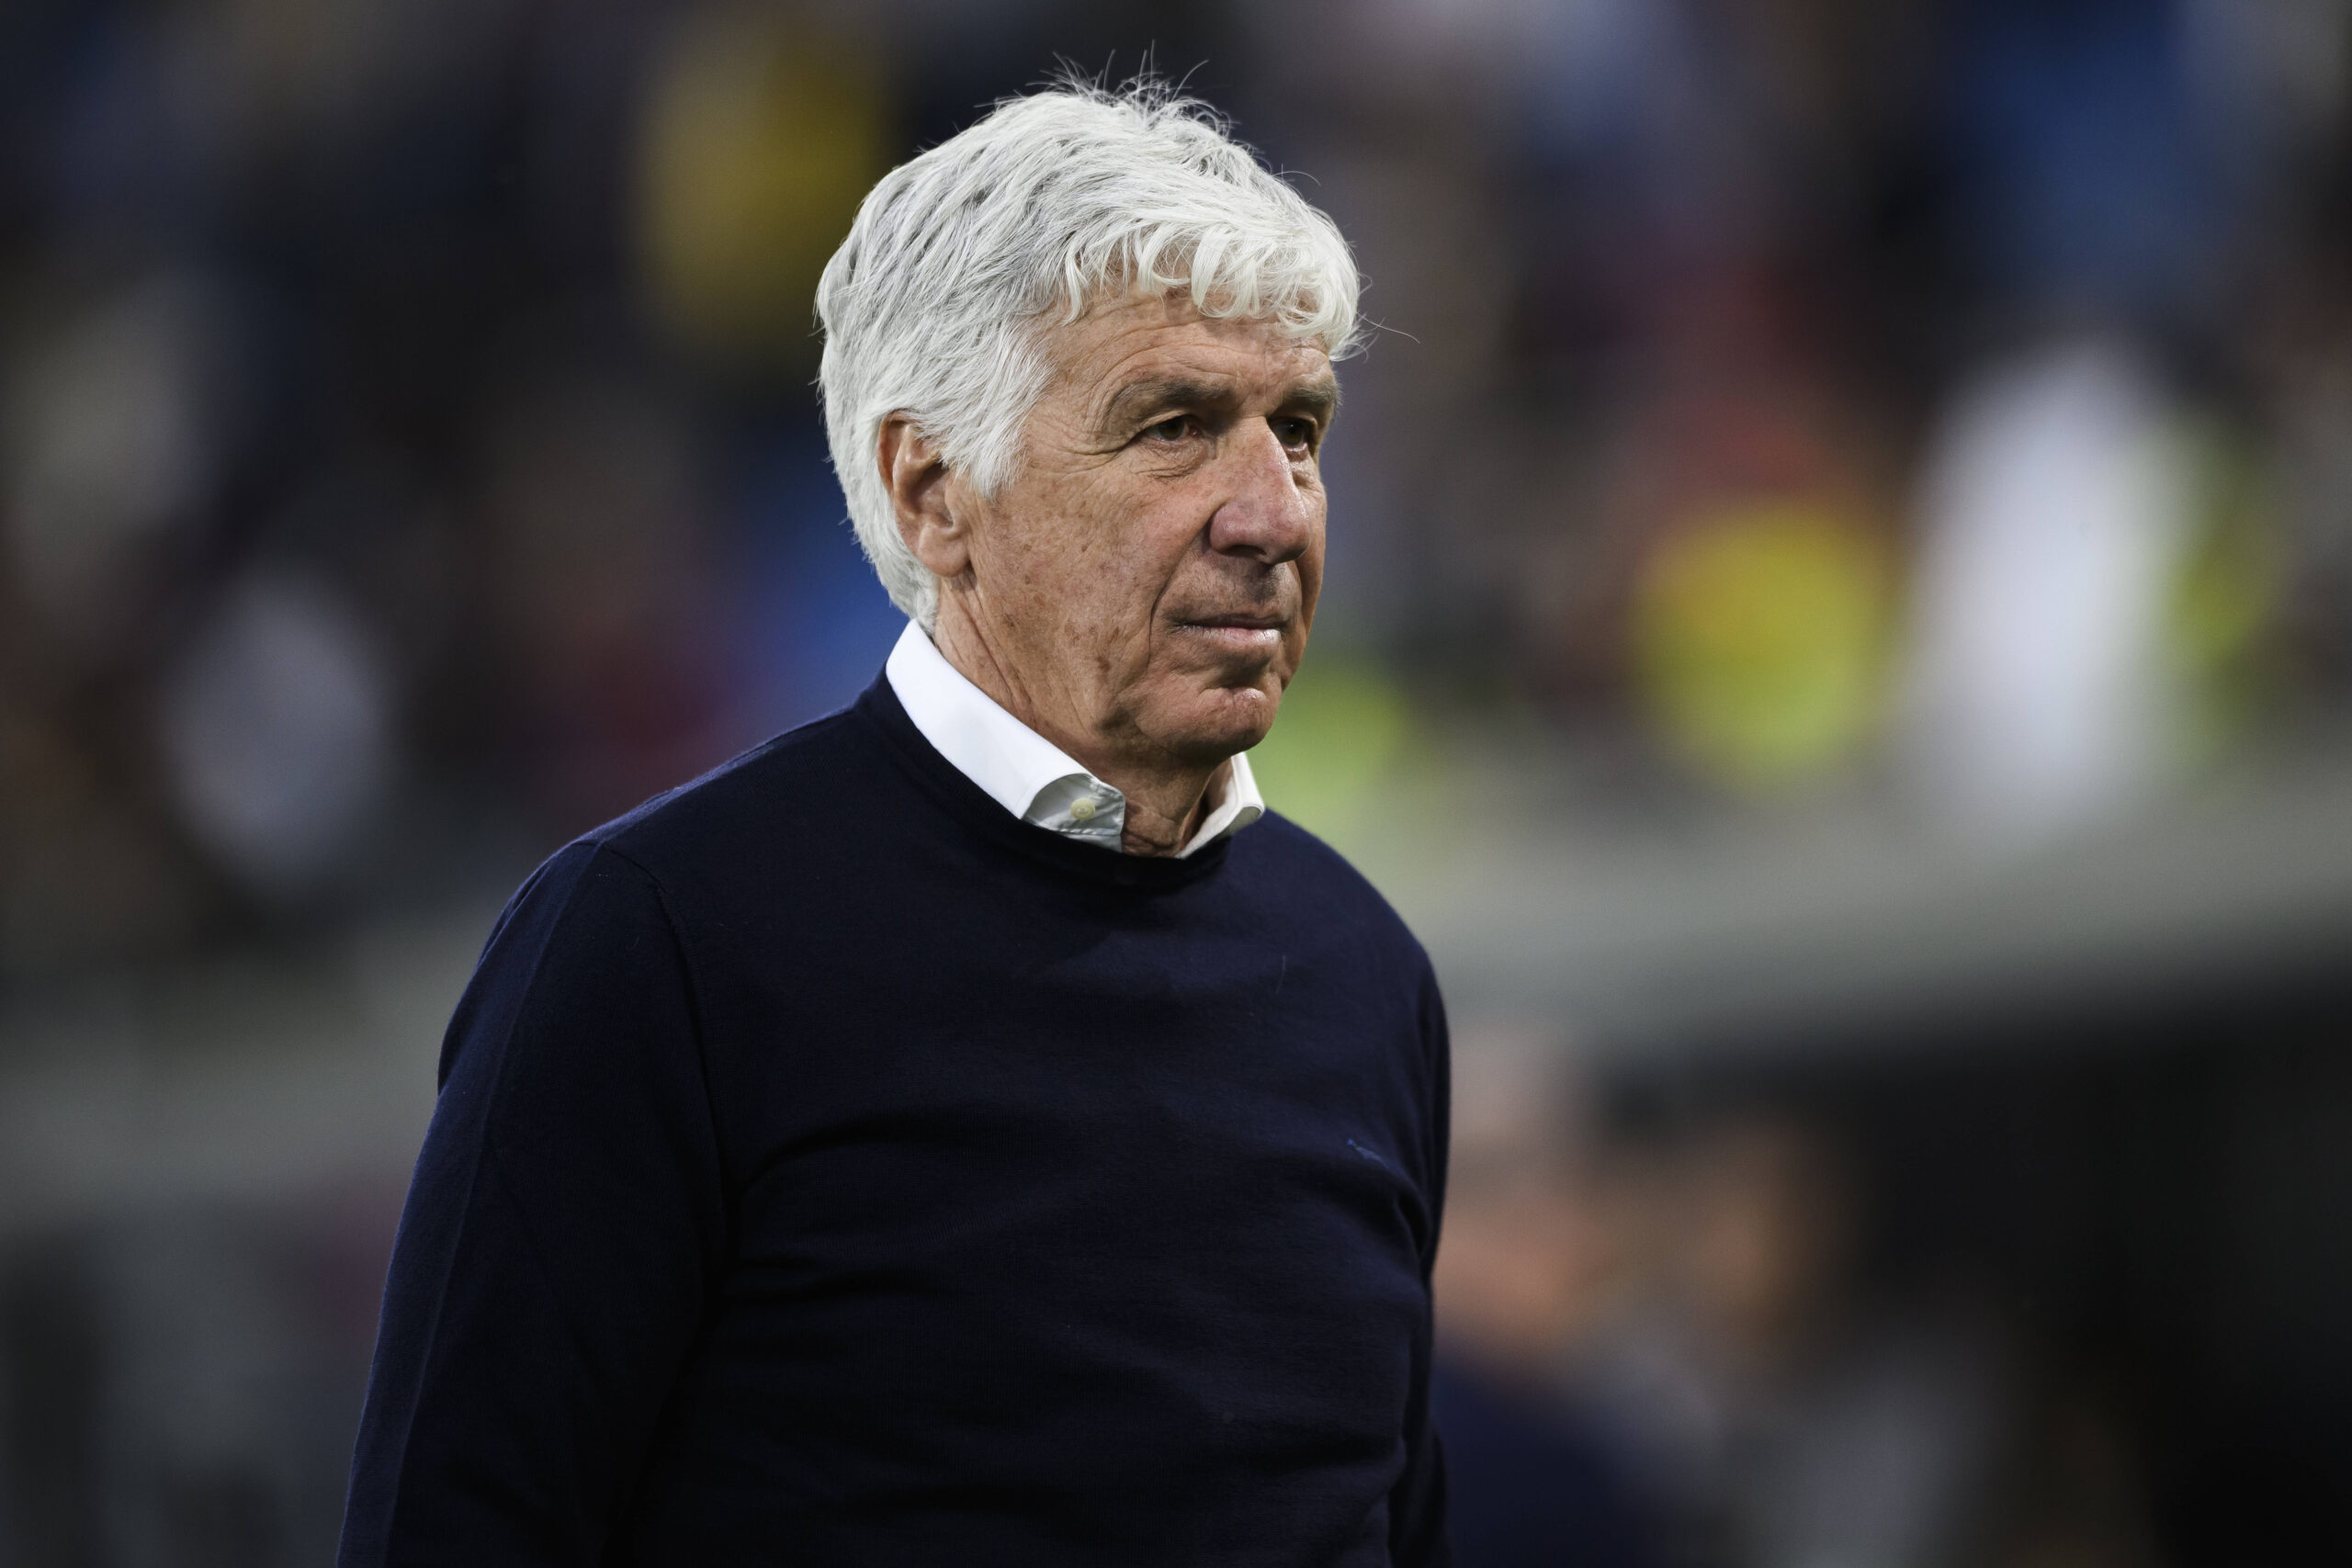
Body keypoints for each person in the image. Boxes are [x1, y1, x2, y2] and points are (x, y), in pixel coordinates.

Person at [337, 82, 1451, 1566]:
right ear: (933, 490)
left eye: (1297, 429)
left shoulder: (1360, 971)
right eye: (1175, 426)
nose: (1273, 511)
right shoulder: (658, 945)